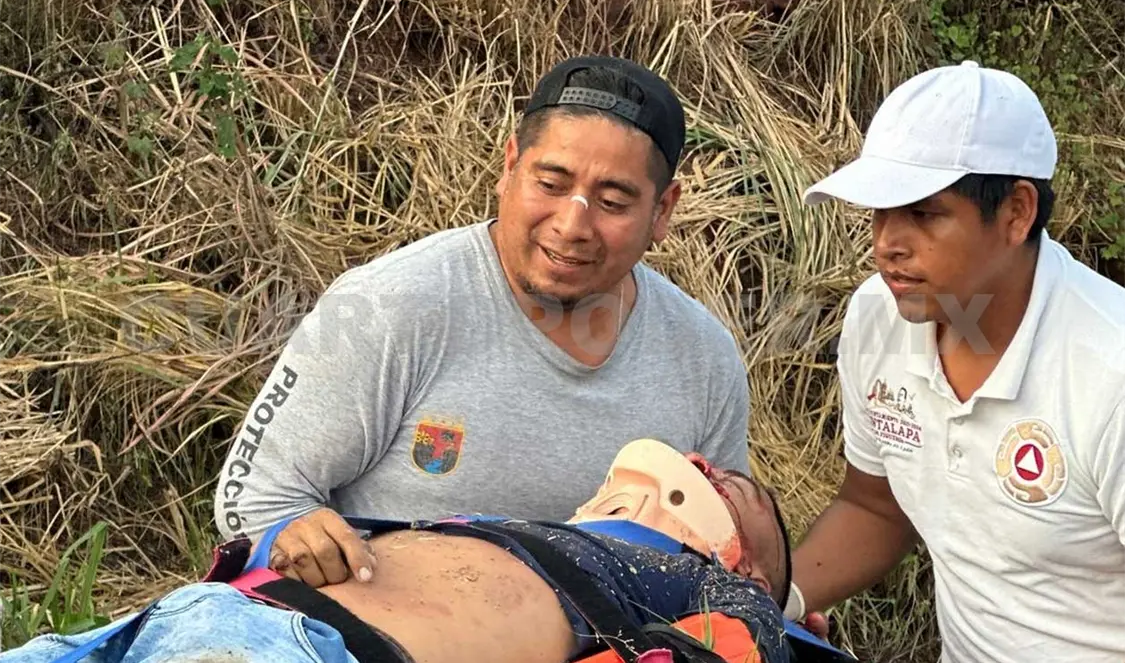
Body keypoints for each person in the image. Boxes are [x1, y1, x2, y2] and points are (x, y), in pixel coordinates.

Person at [211, 54, 753, 555]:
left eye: (612, 202)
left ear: (662, 211)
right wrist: (301, 544)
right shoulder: (387, 307)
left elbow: (727, 544)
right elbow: (254, 497)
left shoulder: (702, 358)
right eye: (550, 183)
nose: (572, 225)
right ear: (510, 167)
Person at [785, 60, 1125, 662]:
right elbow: (874, 507)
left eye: (922, 213)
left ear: (1016, 213)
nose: (885, 244)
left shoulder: (1108, 370)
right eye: (878, 211)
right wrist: (769, 603)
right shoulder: (880, 315)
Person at [7, 441, 795, 663]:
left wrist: (770, 618)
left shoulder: (714, 587)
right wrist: (296, 535)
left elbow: (736, 642)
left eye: (740, 488)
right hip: (194, 616)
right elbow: (280, 546)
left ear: (749, 566)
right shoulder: (502, 527)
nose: (701, 464)